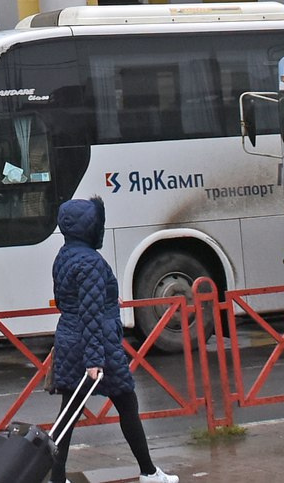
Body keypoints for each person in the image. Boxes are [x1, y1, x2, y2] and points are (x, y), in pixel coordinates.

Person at [46, 198, 177, 483]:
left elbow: (70, 300)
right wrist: (94, 360)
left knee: (67, 415)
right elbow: (90, 313)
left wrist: (108, 300)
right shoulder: (91, 261)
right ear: (89, 228)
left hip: (69, 339)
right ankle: (149, 473)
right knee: (128, 405)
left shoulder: (64, 255)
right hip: (98, 346)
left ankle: (57, 478)